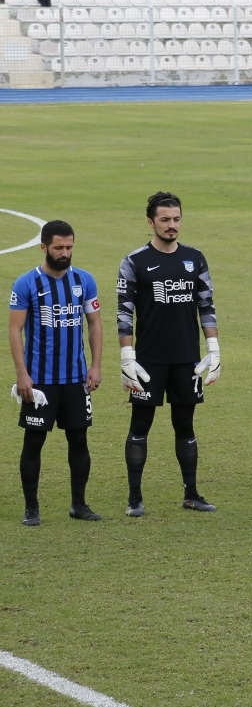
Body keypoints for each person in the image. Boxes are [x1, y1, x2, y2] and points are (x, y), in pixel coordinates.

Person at [116, 191, 220, 517]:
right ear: (151, 222)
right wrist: (126, 356)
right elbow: (123, 313)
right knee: (140, 425)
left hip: (187, 359)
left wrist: (213, 348)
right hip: (148, 361)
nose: (172, 225)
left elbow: (207, 306)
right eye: (165, 219)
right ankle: (135, 498)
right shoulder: (134, 262)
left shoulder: (195, 258)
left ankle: (191, 494)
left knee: (185, 425)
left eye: (176, 219)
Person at [9, 220, 104, 525]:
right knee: (34, 443)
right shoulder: (26, 284)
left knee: (79, 441)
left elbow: (95, 324)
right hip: (40, 382)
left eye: (69, 247)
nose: (65, 253)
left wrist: (96, 365)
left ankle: (79, 504)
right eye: (59, 247)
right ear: (44, 247)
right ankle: (31, 508)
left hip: (76, 380)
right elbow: (15, 331)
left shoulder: (84, 281)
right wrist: (22, 375)